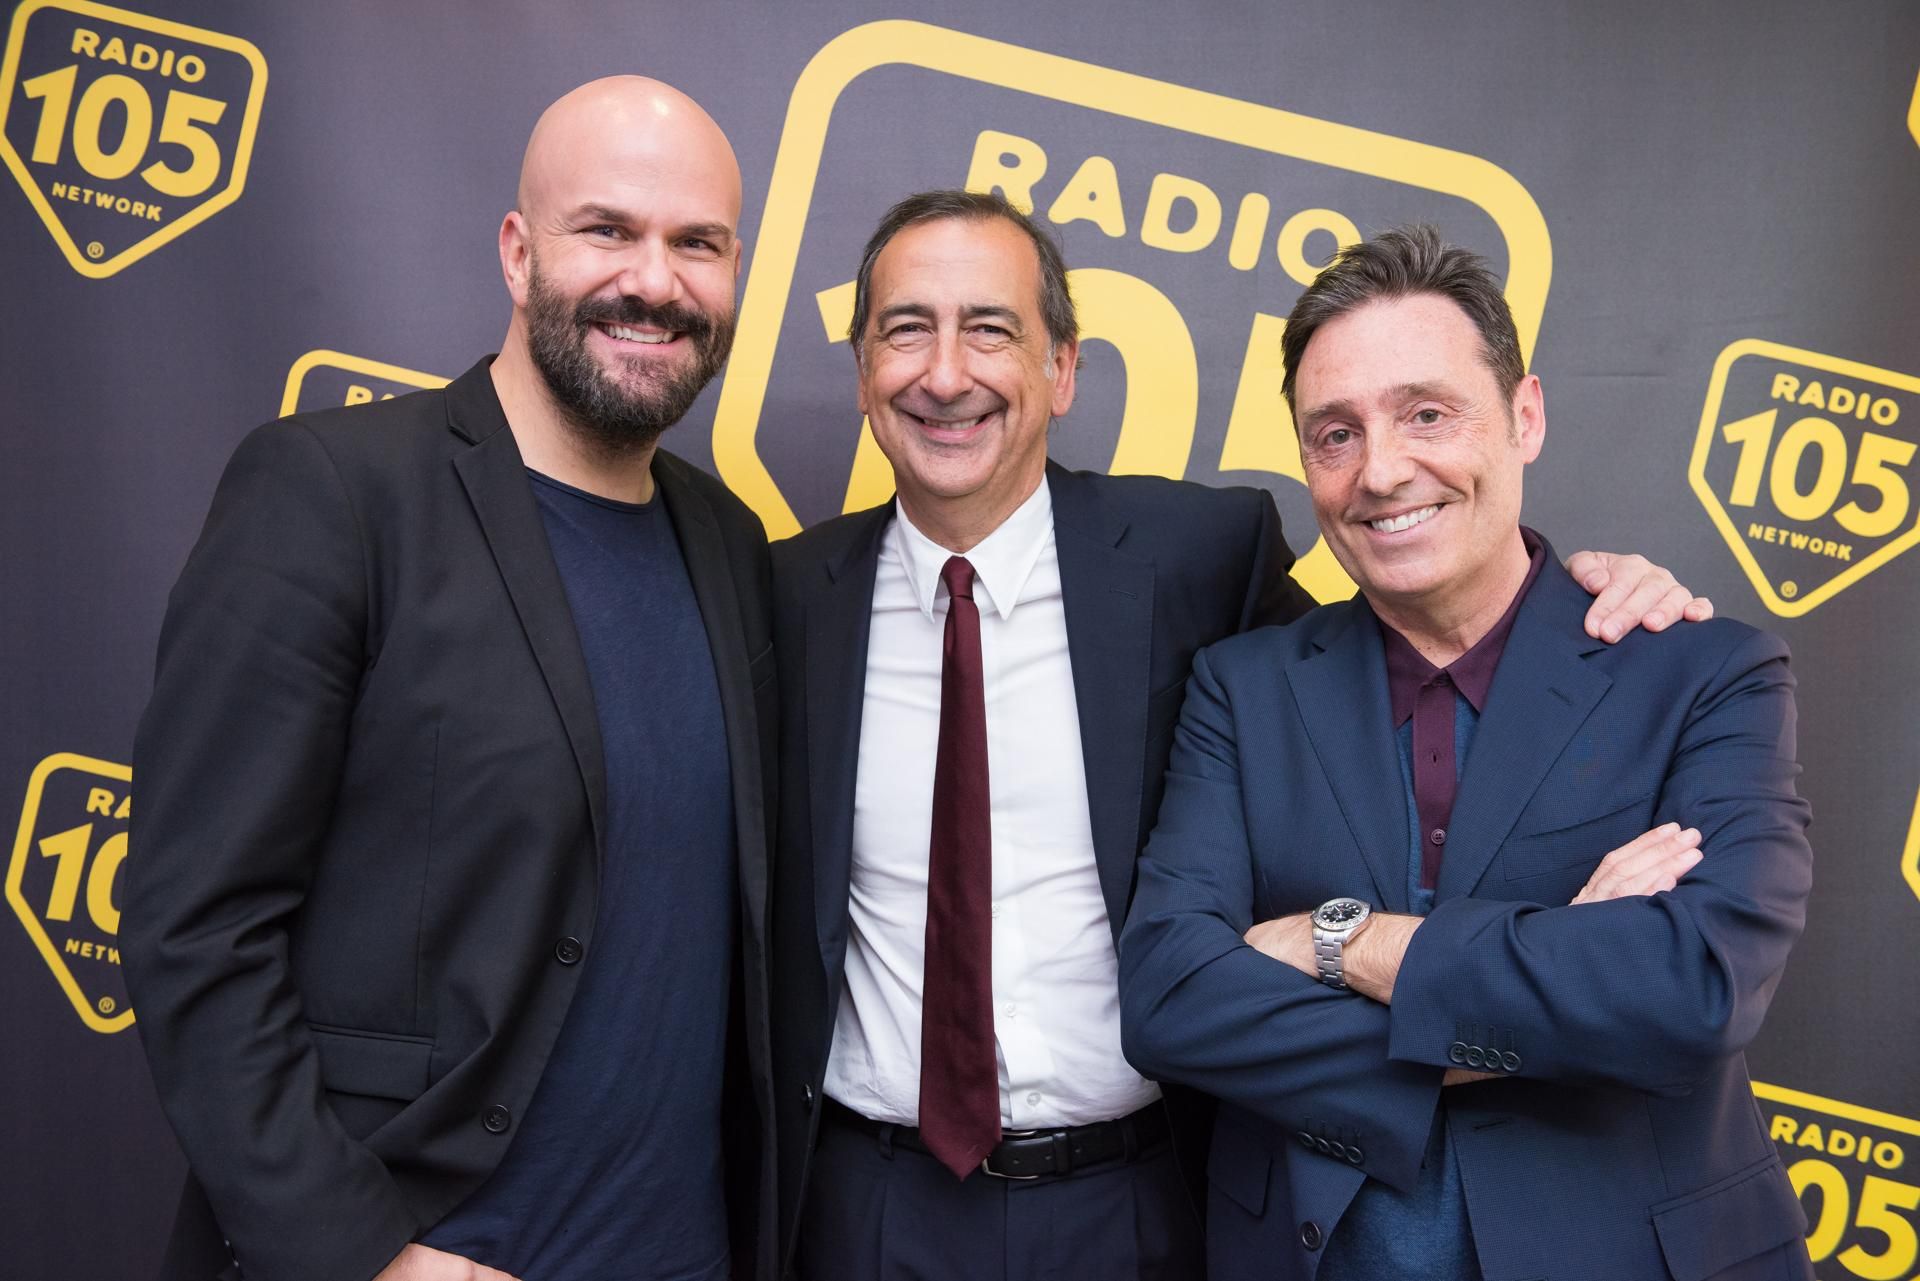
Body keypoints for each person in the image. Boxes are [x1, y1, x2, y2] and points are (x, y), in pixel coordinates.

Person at [768, 191, 1713, 1281]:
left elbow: (1410, 652)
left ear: (1063, 369)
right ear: (862, 371)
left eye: (990, 329)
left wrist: (1579, 595)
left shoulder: (1200, 555)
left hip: (1140, 1203)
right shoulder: (781, 597)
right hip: (864, 1201)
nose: (945, 374)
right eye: (905, 330)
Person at [122, 78, 776, 1281]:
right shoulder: (333, 492)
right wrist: (359, 1255)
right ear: (519, 253)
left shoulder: (732, 547)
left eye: (698, 243)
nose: (655, 280)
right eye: (608, 229)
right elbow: (197, 928)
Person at [1118, 225, 1814, 1281]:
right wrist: (1561, 977)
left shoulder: (1702, 671)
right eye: (1335, 434)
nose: (1382, 470)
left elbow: (1691, 990)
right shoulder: (1242, 688)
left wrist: (1333, 943)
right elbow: (1173, 999)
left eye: (1427, 414)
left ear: (1525, 416)